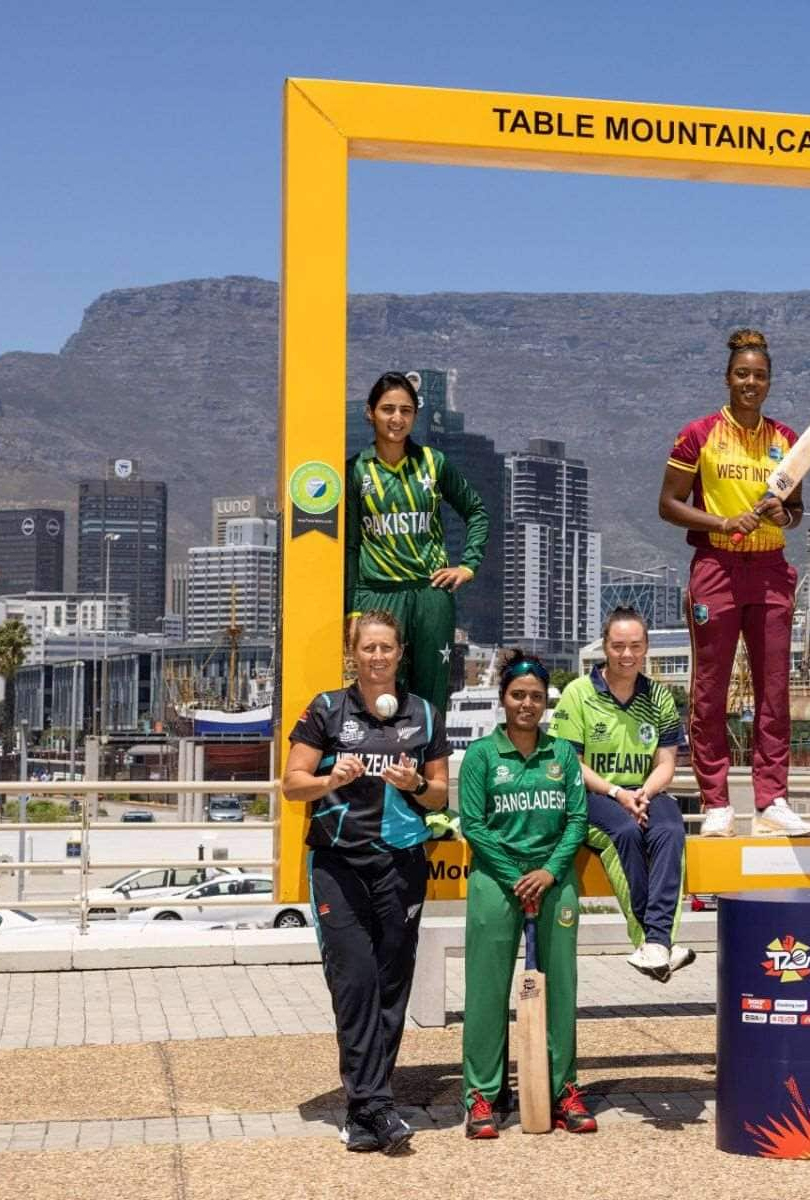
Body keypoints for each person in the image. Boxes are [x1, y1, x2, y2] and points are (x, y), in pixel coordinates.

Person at [281, 610, 451, 1153]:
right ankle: (375, 1106)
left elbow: (440, 794)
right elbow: (291, 785)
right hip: (337, 863)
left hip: (401, 863)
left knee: (391, 984)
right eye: (368, 648)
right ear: (353, 654)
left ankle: (367, 1110)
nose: (377, 657)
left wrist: (416, 781)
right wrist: (331, 777)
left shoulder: (424, 713)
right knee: (354, 984)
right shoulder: (327, 709)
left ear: (401, 653)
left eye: (387, 648)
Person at [658, 329, 810, 839]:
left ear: (770, 382)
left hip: (769, 570)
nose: (751, 382)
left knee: (775, 689)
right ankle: (717, 800)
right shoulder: (697, 434)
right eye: (742, 374)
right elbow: (668, 504)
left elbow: (795, 512)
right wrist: (722, 523)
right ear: (728, 378)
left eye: (760, 376)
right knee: (710, 689)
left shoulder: (786, 440)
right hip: (716, 567)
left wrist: (779, 513)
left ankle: (772, 800)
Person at [456, 652, 595, 1138]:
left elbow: (577, 819)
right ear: (503, 699)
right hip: (497, 882)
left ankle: (563, 1091)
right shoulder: (481, 756)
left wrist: (550, 872)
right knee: (487, 991)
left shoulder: (561, 756)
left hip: (554, 883)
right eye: (518, 695)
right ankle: (482, 1095)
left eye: (536, 696)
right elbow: (472, 823)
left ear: (546, 703)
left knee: (561, 989)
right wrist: (520, 874)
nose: (527, 704)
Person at [551, 606, 696, 981]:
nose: (626, 654)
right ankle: (651, 939)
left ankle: (658, 944)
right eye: (618, 646)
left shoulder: (660, 697)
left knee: (671, 830)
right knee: (627, 833)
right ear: (605, 647)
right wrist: (618, 793)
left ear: (646, 647)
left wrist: (644, 793)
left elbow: (666, 763)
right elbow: (571, 765)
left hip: (644, 794)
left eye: (635, 646)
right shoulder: (578, 693)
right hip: (592, 795)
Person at [344, 370, 491, 715]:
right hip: (377, 594)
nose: (397, 419)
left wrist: (468, 565)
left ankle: (430, 769)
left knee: (430, 698)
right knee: (378, 695)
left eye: (406, 410)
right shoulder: (354, 471)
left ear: (415, 415)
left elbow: (477, 511)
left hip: (429, 594)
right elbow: (350, 547)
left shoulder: (433, 463)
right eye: (388, 409)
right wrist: (351, 608)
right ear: (370, 412)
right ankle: (378, 767)